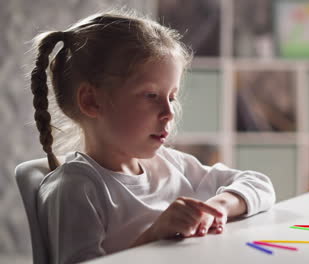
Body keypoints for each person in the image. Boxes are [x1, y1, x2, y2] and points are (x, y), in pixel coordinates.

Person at [30, 9, 275, 264]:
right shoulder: (76, 189)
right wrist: (153, 236)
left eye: (172, 97)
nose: (169, 113)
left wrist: (219, 207)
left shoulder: (170, 164)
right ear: (92, 101)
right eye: (151, 96)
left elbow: (259, 184)